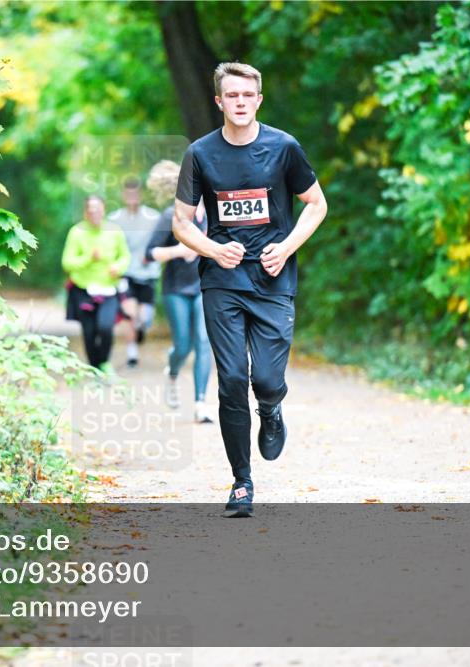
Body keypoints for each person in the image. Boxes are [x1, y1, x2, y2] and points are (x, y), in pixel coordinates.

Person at [172, 62, 328, 518]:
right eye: (231, 96)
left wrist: (287, 246)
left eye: (247, 95)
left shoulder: (284, 147)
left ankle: (273, 408)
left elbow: (316, 205)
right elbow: (182, 223)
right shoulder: (200, 154)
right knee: (232, 381)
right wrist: (212, 250)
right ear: (218, 102)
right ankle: (242, 482)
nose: (240, 103)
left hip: (274, 278)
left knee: (265, 380)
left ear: (258, 99)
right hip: (222, 280)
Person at [144, 160, 214, 424]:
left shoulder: (215, 216)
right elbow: (149, 254)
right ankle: (172, 372)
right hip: (176, 288)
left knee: (203, 341)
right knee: (183, 345)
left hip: (205, 286)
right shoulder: (171, 215)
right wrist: (179, 251)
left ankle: (200, 403)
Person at [62, 195, 131, 372]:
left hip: (109, 289)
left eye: (98, 210)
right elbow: (67, 263)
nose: (95, 214)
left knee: (106, 327)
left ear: (104, 211)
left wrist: (118, 267)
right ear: (85, 213)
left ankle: (104, 362)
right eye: (91, 211)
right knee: (89, 332)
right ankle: (94, 367)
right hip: (83, 289)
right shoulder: (76, 232)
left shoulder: (114, 231)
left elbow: (125, 256)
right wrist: (88, 258)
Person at [108, 178, 162, 368]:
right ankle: (132, 354)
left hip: (148, 273)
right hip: (125, 272)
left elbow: (161, 240)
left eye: (135, 193)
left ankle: (141, 329)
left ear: (141, 195)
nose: (132, 197)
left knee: (144, 317)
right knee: (129, 313)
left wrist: (152, 255)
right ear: (123, 195)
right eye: (128, 194)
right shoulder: (114, 219)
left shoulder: (154, 217)